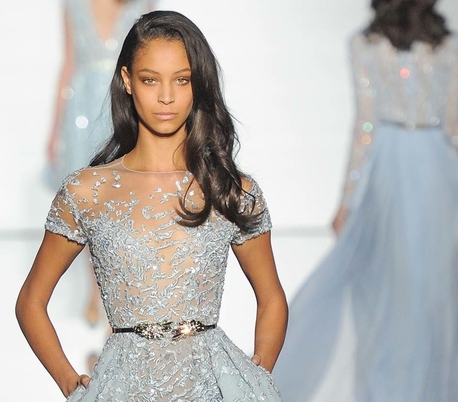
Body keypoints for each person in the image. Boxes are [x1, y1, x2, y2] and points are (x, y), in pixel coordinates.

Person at [17, 10, 288, 400]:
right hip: (122, 388)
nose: (166, 97)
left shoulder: (228, 190)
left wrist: (255, 381)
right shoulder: (87, 192)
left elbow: (272, 296)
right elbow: (31, 300)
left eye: (182, 80)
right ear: (127, 80)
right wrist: (69, 383)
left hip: (211, 388)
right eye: (150, 80)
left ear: (198, 84)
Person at [273, 1, 458, 401]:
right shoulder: (448, 46)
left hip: (390, 166)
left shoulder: (366, 44)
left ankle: (392, 387)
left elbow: (365, 126)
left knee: (389, 286)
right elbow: (454, 126)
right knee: (433, 290)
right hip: (437, 168)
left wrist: (347, 200)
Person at [45, 0, 156, 334]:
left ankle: (119, 294)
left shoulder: (141, 4)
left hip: (121, 103)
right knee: (87, 205)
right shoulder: (75, 6)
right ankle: (97, 291)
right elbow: (68, 63)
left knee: (122, 203)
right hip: (81, 109)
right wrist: (54, 131)